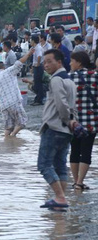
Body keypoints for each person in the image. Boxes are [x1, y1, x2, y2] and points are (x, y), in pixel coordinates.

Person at [38, 49, 78, 210]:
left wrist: (67, 121)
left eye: (49, 61)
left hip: (54, 127)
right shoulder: (69, 80)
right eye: (44, 62)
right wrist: (72, 122)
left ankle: (60, 197)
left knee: (44, 165)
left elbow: (62, 104)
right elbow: (72, 105)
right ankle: (60, 199)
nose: (46, 65)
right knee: (60, 165)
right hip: (66, 131)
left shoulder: (55, 80)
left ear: (59, 62)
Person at [69, 51, 98, 191]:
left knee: (74, 150)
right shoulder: (95, 76)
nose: (70, 64)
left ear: (79, 62)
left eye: (72, 61)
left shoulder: (68, 78)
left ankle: (75, 182)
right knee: (86, 151)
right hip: (91, 121)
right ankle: (80, 182)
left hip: (73, 122)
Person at [0, 46, 32, 136]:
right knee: (22, 121)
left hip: (3, 106)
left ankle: (6, 141)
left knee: (8, 127)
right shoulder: (8, 71)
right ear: (3, 67)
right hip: (14, 101)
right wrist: (28, 53)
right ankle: (12, 137)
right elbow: (19, 62)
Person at [30, 35, 46, 106]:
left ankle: (39, 99)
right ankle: (38, 98)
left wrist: (38, 64)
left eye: (31, 40)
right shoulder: (35, 48)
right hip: (36, 66)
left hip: (39, 67)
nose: (30, 42)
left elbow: (39, 56)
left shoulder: (38, 48)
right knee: (36, 83)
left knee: (38, 83)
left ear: (33, 41)